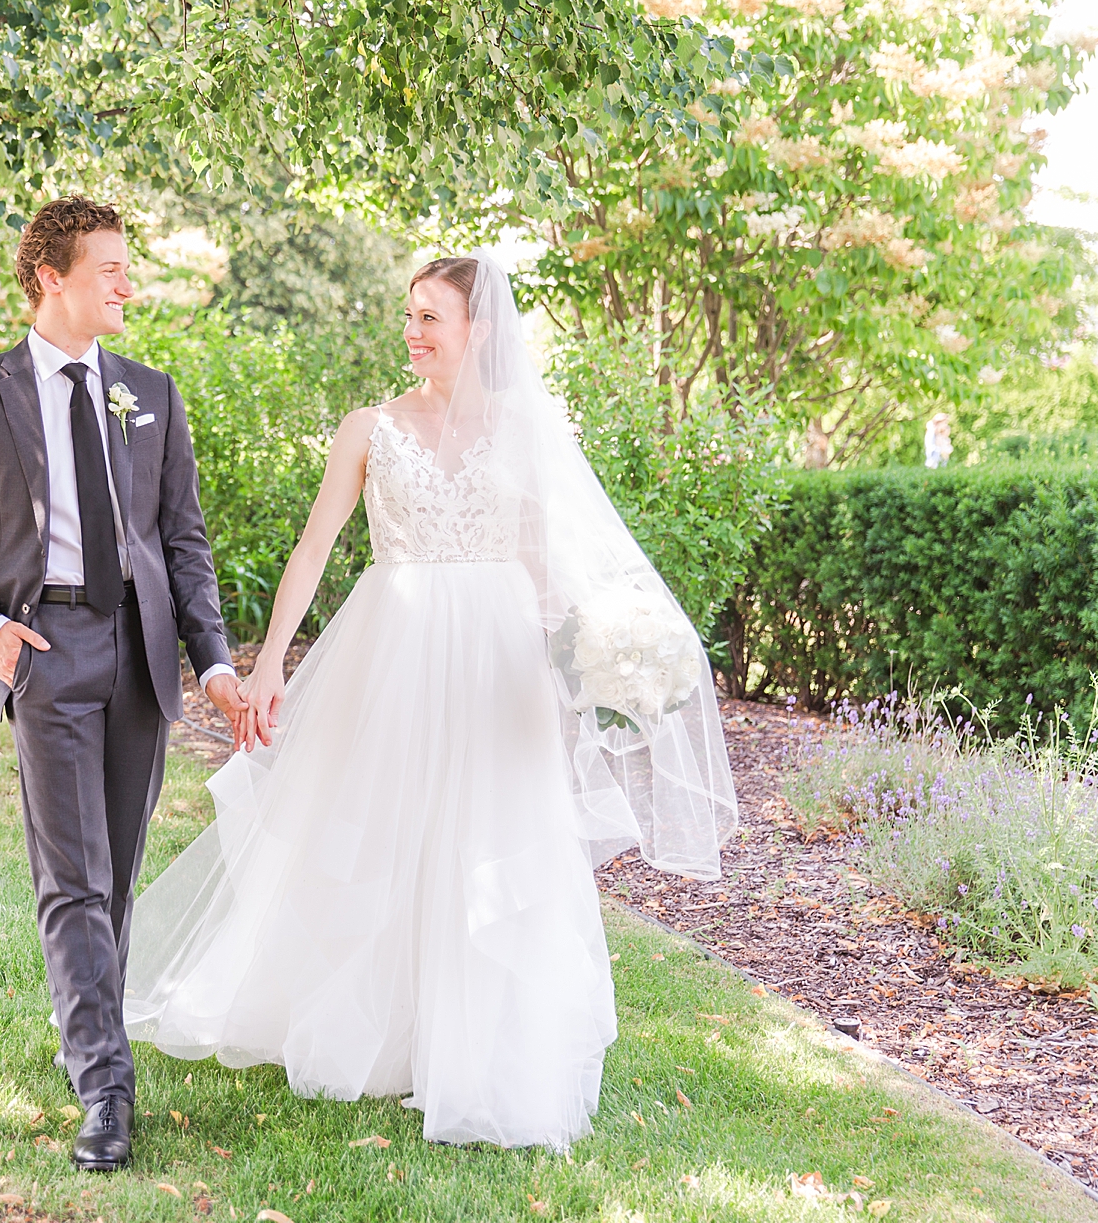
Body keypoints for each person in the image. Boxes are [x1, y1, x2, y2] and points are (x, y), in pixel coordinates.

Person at [122, 253, 739, 1149]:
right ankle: (383, 1031)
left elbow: (547, 561)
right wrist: (271, 662)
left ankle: (481, 1041)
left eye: (429, 318)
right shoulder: (367, 428)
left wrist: (597, 659)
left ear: (478, 329)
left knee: (492, 834)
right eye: (409, 315)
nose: (411, 332)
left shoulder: (529, 430)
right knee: (385, 829)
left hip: (500, 652)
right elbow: (314, 550)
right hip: (396, 643)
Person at [0, 197, 248, 1172]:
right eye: (108, 268)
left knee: (114, 875)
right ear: (50, 276)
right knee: (73, 879)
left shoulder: (150, 394)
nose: (126, 283)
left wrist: (212, 659)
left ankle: (95, 1038)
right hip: (42, 652)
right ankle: (103, 1085)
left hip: (135, 655)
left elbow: (181, 541)